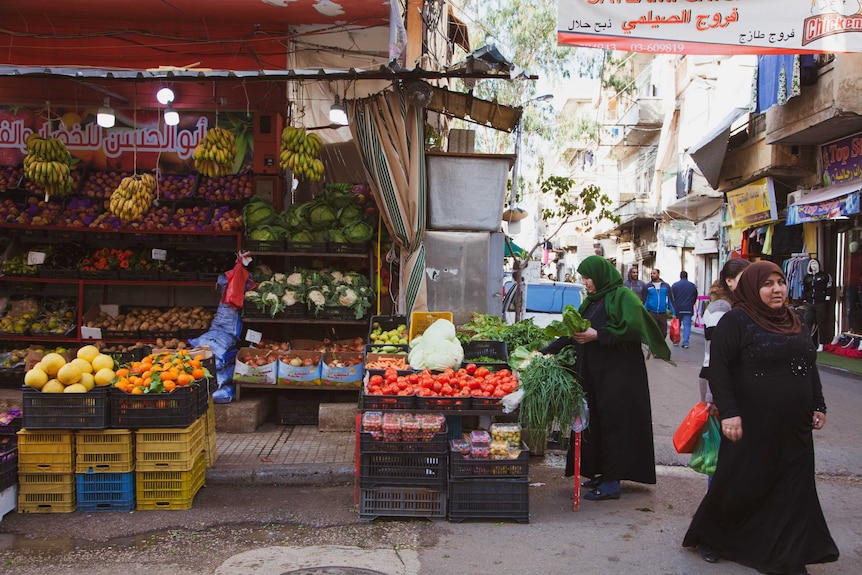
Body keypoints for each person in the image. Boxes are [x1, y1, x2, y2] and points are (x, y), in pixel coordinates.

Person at [683, 260, 839, 574]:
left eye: (780, 282)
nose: (777, 289)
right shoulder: (736, 320)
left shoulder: (794, 319)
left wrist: (819, 404)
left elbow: (808, 366)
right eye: (768, 284)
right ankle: (714, 538)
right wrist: (729, 413)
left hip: (794, 426)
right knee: (740, 483)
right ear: (753, 288)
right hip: (749, 424)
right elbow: (720, 371)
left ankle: (786, 552)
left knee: (792, 488)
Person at [544, 256, 672, 501]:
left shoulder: (623, 297)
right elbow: (573, 333)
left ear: (601, 275)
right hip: (594, 374)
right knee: (596, 421)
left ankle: (612, 482)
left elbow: (633, 330)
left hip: (620, 375)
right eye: (583, 278)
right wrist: (545, 352)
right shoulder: (591, 301)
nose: (585, 283)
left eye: (587, 277)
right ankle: (601, 472)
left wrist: (597, 335)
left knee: (615, 422)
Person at [699, 259, 750, 410]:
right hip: (715, 380)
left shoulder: (730, 305)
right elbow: (714, 350)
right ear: (729, 281)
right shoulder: (721, 307)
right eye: (745, 276)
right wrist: (712, 395)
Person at [802, 257, 833, 351]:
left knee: (821, 322)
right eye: (812, 264)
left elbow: (829, 286)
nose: (813, 265)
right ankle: (806, 342)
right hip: (810, 302)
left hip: (820, 302)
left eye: (815, 263)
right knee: (806, 321)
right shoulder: (807, 277)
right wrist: (804, 298)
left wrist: (827, 296)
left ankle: (822, 343)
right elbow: (805, 288)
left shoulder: (824, 276)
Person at [644, 268, 675, 338]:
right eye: (651, 273)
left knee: (663, 332)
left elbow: (670, 300)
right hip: (652, 313)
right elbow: (645, 300)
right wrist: (644, 312)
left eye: (654, 273)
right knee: (652, 331)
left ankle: (661, 346)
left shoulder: (666, 286)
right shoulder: (648, 286)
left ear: (658, 274)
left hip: (662, 313)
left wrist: (673, 313)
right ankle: (653, 348)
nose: (652, 275)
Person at [671, 271, 698, 348]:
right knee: (687, 326)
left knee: (677, 325)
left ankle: (676, 341)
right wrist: (691, 303)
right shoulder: (692, 286)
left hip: (678, 308)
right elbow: (695, 296)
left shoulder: (675, 285)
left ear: (680, 276)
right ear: (687, 276)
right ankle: (685, 343)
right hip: (688, 308)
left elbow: (672, 297)